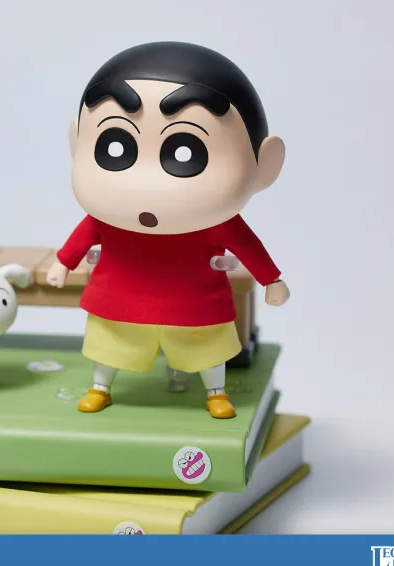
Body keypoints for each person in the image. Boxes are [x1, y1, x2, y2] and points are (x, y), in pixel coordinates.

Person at [47, 42, 290, 418]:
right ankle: (101, 387)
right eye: (115, 146)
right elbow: (83, 236)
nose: (146, 182)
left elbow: (249, 247)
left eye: (186, 151)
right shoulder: (107, 217)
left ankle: (216, 392)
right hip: (118, 300)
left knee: (207, 348)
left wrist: (271, 279)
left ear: (265, 165)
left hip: (196, 305)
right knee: (109, 345)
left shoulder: (218, 223)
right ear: (76, 144)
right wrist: (63, 262)